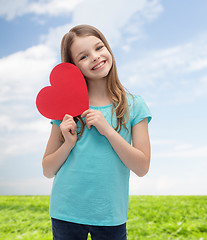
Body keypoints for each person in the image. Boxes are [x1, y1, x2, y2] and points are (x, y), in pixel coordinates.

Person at [42, 24, 152, 240]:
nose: (95, 57)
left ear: (108, 49)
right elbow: (47, 169)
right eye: (83, 56)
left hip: (110, 214)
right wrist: (68, 143)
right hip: (66, 212)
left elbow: (142, 167)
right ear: (73, 67)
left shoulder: (134, 105)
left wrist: (108, 130)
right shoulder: (65, 108)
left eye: (99, 47)